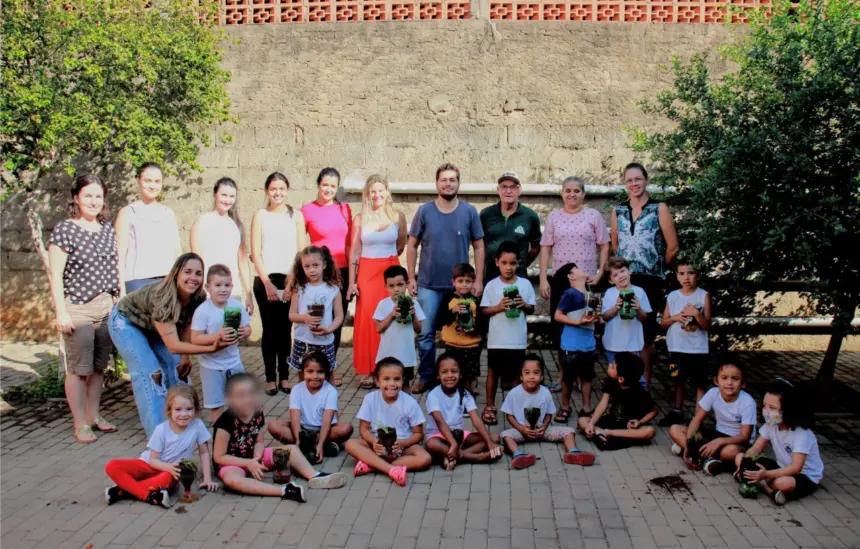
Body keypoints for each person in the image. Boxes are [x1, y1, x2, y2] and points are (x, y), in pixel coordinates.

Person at [109, 253, 235, 437]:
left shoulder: (198, 296)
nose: (193, 278)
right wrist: (211, 348)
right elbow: (174, 345)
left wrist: (185, 358)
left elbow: (185, 326)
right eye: (188, 272)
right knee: (151, 373)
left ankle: (185, 423)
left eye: (198, 273)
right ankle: (160, 437)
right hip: (127, 323)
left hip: (155, 326)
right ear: (176, 273)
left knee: (177, 370)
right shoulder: (162, 296)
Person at [49, 174, 120, 443]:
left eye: (98, 196)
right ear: (76, 198)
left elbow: (113, 266)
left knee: (99, 367)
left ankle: (94, 416)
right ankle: (79, 423)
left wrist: (116, 300)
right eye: (88, 195)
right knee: (80, 369)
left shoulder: (107, 229)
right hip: (78, 307)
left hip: (105, 307)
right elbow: (56, 274)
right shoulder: (65, 229)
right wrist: (61, 312)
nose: (93, 201)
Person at [407, 163, 485, 393]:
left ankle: (464, 377)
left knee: (465, 333)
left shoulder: (469, 212)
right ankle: (427, 376)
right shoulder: (424, 211)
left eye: (452, 180)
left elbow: (479, 247)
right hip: (428, 285)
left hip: (460, 288)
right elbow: (412, 245)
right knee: (425, 333)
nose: (448, 183)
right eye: (444, 179)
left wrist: (478, 279)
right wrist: (411, 277)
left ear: (458, 183)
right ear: (436, 183)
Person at [212, 373, 347, 501]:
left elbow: (259, 441)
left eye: (250, 394)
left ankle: (315, 476)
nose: (246, 400)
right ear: (230, 399)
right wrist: (248, 463)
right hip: (232, 464)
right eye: (240, 396)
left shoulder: (257, 411)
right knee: (232, 481)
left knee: (292, 449)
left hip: (252, 457)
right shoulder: (225, 421)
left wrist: (256, 458)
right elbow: (219, 457)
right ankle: (285, 490)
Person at [611, 163, 679, 388]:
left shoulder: (659, 208)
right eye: (629, 180)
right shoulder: (618, 210)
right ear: (625, 183)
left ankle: (644, 385)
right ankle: (623, 382)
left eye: (638, 179)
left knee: (646, 334)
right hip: (624, 280)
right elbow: (616, 247)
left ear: (646, 180)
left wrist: (657, 269)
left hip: (650, 279)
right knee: (624, 328)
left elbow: (673, 247)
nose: (634, 184)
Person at [104, 385, 218, 507]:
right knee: (112, 466)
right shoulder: (161, 429)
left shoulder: (197, 425)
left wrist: (207, 479)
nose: (184, 414)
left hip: (171, 471)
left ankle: (123, 490)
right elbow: (153, 460)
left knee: (169, 477)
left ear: (196, 409)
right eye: (178, 409)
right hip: (151, 464)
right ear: (170, 410)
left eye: (189, 409)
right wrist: (166, 466)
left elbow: (204, 452)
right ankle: (149, 495)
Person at [539, 177, 610, 369]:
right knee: (560, 326)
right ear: (562, 193)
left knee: (587, 324)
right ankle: (564, 374)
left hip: (586, 282)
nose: (572, 194)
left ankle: (583, 373)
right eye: (568, 190)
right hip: (561, 281)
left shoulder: (593, 215)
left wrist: (601, 271)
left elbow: (604, 244)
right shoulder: (554, 216)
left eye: (576, 191)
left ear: (583, 194)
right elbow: (545, 247)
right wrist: (544, 278)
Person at [347, 175, 407, 389]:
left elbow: (401, 244)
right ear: (367, 193)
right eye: (373, 191)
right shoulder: (359, 218)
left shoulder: (398, 216)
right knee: (368, 321)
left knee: (392, 317)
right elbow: (354, 250)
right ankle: (368, 369)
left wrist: (388, 262)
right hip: (367, 271)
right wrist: (352, 283)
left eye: (381, 190)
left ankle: (390, 368)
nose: (377, 195)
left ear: (387, 191)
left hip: (390, 271)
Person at [251, 172, 307, 395]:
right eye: (273, 188)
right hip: (266, 279)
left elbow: (300, 251)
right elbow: (255, 252)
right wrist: (267, 284)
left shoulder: (296, 216)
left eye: (282, 188)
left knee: (286, 330)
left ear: (287, 190)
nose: (278, 192)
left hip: (290, 279)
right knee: (270, 331)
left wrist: (293, 280)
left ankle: (284, 377)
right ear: (266, 190)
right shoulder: (260, 215)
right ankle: (270, 378)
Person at [345, 357, 432, 486]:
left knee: (425, 459)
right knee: (351, 444)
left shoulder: (410, 403)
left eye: (397, 379)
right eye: (386, 379)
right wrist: (374, 442)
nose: (392, 384)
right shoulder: (370, 399)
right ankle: (391, 469)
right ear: (377, 381)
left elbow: (419, 434)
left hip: (402, 445)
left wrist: (403, 443)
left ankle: (373, 465)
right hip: (377, 445)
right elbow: (363, 429)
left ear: (403, 381)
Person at [734, 380, 823, 505]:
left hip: (804, 475)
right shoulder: (770, 425)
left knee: (782, 483)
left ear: (788, 410)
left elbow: (796, 468)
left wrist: (766, 474)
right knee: (740, 457)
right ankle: (764, 485)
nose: (766, 411)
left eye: (772, 408)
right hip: (781, 467)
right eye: (765, 406)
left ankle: (764, 486)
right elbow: (755, 449)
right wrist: (745, 465)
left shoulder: (802, 434)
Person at [500, 354, 595, 469]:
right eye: (527, 373)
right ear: (521, 376)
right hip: (522, 432)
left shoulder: (545, 393)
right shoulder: (514, 393)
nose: (531, 376)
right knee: (505, 435)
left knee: (569, 431)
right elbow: (508, 415)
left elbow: (549, 414)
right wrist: (521, 428)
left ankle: (573, 452)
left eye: (536, 373)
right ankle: (518, 455)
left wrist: (544, 427)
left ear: (541, 376)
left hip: (542, 431)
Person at [481, 242, 536, 427]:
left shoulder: (525, 284)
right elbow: (484, 310)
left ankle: (514, 406)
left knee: (515, 375)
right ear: (497, 262)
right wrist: (498, 307)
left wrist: (524, 305)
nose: (508, 267)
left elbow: (532, 308)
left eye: (512, 263)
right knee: (492, 372)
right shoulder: (491, 285)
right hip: (497, 339)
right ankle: (490, 406)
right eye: (504, 263)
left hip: (517, 340)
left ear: (519, 263)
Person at [190, 264, 253, 423]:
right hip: (211, 366)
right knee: (216, 405)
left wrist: (246, 331)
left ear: (232, 286)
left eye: (227, 285)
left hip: (234, 362)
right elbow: (195, 338)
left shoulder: (236, 306)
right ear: (207, 287)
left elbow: (247, 327)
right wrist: (216, 336)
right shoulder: (203, 311)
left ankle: (241, 434)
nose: (222, 289)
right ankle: (221, 438)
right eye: (217, 285)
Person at [301, 168, 352, 363]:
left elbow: (350, 244)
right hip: (318, 274)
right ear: (318, 185)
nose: (329, 189)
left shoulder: (345, 209)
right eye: (325, 185)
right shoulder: (307, 210)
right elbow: (300, 245)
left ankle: (330, 363)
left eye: (333, 186)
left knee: (336, 320)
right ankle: (314, 363)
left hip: (343, 272)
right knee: (318, 318)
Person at [669, 363, 756, 475]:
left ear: (743, 383)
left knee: (731, 451)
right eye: (724, 378)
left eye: (735, 379)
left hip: (736, 441)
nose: (729, 383)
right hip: (717, 433)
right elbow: (696, 420)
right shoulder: (713, 393)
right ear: (716, 381)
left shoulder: (748, 402)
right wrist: (689, 443)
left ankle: (700, 456)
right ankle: (704, 457)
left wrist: (720, 441)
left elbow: (744, 437)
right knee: (675, 429)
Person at [267, 351, 354, 459]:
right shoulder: (297, 389)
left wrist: (320, 444)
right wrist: (299, 440)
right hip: (303, 430)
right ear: (303, 372)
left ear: (326, 373)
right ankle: (313, 445)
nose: (315, 376)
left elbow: (327, 420)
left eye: (320, 372)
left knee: (346, 428)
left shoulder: (331, 391)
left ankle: (317, 445)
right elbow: (295, 417)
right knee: (273, 425)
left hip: (325, 429)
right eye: (310, 371)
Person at [424, 352, 502, 470]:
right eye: (444, 372)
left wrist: (489, 443)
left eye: (454, 371)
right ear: (438, 375)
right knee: (431, 444)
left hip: (459, 436)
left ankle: (454, 456)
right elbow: (440, 422)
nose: (450, 375)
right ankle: (476, 458)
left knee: (495, 437)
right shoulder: (433, 395)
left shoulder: (464, 393)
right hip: (439, 436)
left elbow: (475, 419)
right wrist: (453, 443)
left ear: (460, 374)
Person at [115, 162, 182, 294]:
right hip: (137, 282)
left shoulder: (168, 213)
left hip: (166, 281)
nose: (153, 186)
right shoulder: (128, 212)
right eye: (148, 181)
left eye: (157, 181)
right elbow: (120, 254)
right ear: (139, 181)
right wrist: (121, 288)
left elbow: (176, 250)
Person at [659, 262, 712, 427]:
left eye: (690, 273)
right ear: (677, 275)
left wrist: (696, 314)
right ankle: (677, 410)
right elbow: (663, 323)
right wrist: (676, 317)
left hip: (697, 348)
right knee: (678, 379)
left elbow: (708, 325)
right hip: (677, 346)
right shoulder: (673, 296)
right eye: (682, 273)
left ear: (698, 275)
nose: (686, 277)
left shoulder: (703, 295)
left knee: (699, 383)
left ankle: (698, 417)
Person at [190, 177, 253, 313]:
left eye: (232, 196)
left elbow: (242, 262)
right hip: (207, 292)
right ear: (215, 194)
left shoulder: (237, 226)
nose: (227, 200)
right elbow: (196, 260)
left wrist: (248, 293)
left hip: (233, 292)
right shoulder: (202, 222)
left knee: (232, 332)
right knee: (208, 331)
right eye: (224, 195)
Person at [287, 246, 344, 383]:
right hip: (303, 341)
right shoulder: (299, 289)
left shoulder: (333, 290)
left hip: (325, 342)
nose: (312, 270)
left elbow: (339, 316)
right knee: (303, 376)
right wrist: (305, 318)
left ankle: (330, 403)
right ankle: (303, 403)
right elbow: (291, 315)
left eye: (315, 265)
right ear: (302, 267)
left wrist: (329, 329)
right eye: (307, 266)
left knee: (328, 374)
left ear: (324, 265)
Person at [579, 353, 657, 450]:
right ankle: (600, 433)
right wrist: (591, 424)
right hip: (611, 420)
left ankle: (606, 434)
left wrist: (639, 422)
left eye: (613, 366)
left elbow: (653, 411)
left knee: (650, 431)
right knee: (582, 420)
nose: (610, 365)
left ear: (621, 379)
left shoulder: (639, 391)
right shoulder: (611, 382)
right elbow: (603, 404)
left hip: (628, 427)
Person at [552, 263, 599, 423]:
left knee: (587, 377)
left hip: (588, 344)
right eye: (577, 268)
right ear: (571, 277)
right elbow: (558, 315)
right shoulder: (570, 294)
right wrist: (577, 322)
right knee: (568, 377)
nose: (582, 268)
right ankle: (565, 406)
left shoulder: (591, 293)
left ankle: (586, 407)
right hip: (571, 344)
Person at [479, 171, 541, 283]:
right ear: (498, 190)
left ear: (519, 190)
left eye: (513, 187)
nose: (508, 191)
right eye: (504, 187)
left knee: (517, 301)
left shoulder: (530, 216)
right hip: (491, 275)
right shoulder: (486, 214)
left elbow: (536, 246)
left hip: (518, 276)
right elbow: (479, 245)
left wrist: (521, 263)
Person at [373, 265, 425, 391]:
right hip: (386, 355)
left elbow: (419, 329)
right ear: (386, 286)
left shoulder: (413, 303)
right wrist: (391, 315)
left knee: (405, 385)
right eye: (391, 286)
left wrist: (413, 316)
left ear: (406, 284)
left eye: (400, 285)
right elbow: (379, 328)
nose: (396, 289)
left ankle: (407, 410)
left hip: (405, 356)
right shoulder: (383, 304)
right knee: (386, 386)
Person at [438, 264, 482, 395]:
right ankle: (454, 386)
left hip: (471, 343)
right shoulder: (448, 298)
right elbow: (441, 320)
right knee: (454, 366)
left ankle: (469, 384)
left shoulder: (474, 300)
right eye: (460, 281)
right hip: (453, 342)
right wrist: (452, 311)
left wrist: (474, 330)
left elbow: (481, 321)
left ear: (473, 282)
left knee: (471, 367)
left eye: (468, 281)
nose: (464, 285)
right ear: (453, 282)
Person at [601, 257, 651, 370]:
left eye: (622, 271)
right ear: (610, 280)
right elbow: (605, 317)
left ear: (630, 270)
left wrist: (638, 308)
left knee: (632, 374)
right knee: (614, 374)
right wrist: (616, 307)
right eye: (615, 275)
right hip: (613, 343)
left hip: (633, 344)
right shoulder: (610, 293)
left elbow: (644, 318)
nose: (621, 276)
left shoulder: (639, 291)